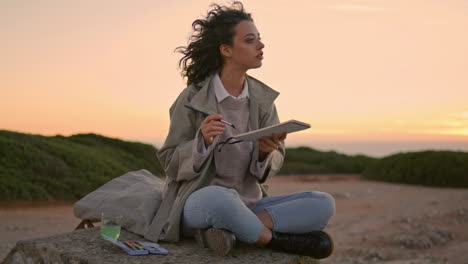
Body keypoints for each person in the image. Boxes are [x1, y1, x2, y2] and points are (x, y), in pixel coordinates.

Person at [144, 1, 335, 259]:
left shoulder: (263, 100)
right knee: (220, 199)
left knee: (323, 203)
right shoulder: (192, 98)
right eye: (249, 40)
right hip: (200, 202)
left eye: (259, 39)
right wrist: (200, 141)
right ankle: (273, 240)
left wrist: (264, 154)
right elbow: (169, 161)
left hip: (250, 204)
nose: (261, 46)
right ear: (226, 50)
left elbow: (273, 163)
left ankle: (233, 231)